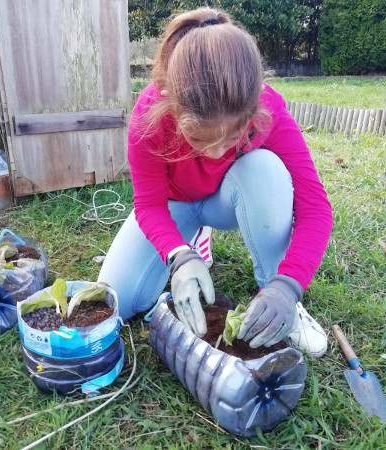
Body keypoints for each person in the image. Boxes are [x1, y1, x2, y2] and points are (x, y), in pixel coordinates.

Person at [99, 7, 332, 358]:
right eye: (200, 140)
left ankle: (274, 292)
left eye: (232, 138)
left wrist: (289, 286)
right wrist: (177, 255)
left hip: (228, 199)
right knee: (118, 298)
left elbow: (316, 208)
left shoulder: (269, 108)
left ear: (254, 107)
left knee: (265, 169)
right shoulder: (149, 114)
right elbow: (148, 204)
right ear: (172, 107)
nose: (216, 153)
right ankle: (192, 241)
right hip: (175, 205)